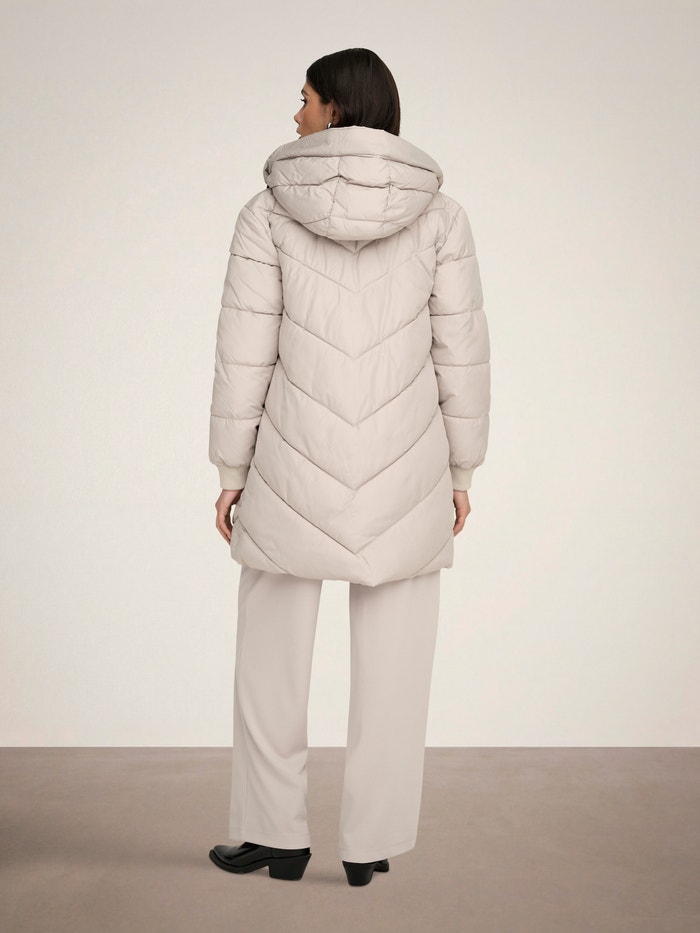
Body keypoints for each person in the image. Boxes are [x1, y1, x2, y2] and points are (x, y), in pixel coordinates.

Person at [207, 48, 490, 887]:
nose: (294, 115)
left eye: (303, 99)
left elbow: (244, 350)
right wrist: (462, 470)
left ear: (334, 108)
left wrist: (231, 468)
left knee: (269, 655)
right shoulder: (442, 217)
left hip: (289, 461)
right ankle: (369, 843)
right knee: (399, 661)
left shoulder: (267, 210)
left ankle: (274, 834)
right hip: (406, 465)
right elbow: (462, 353)